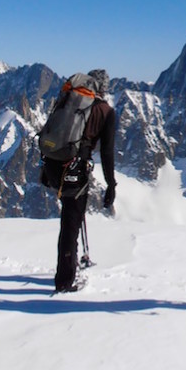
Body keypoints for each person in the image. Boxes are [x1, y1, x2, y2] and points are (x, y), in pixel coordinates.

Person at [54, 68, 117, 293]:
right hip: (75, 169)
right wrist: (111, 184)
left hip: (55, 166)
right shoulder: (106, 112)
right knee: (71, 223)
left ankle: (68, 268)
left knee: (71, 217)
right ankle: (64, 281)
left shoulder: (72, 102)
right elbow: (107, 153)